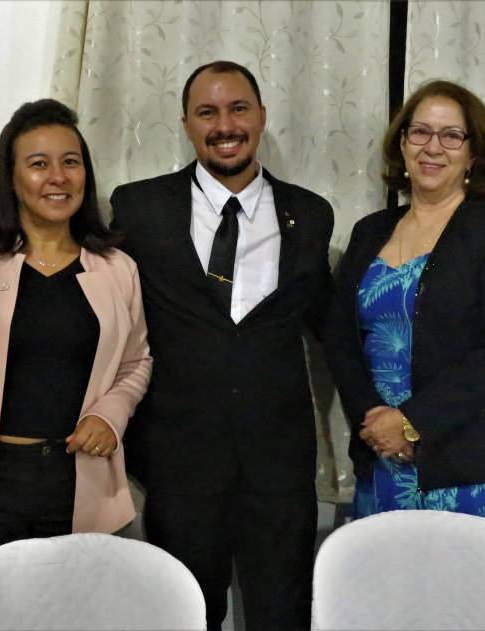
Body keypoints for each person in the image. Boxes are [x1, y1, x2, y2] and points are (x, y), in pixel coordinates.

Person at [110, 60, 333, 631]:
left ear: (262, 116)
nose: (225, 125)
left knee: (283, 617)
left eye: (238, 109)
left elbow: (334, 330)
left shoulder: (311, 215)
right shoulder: (139, 209)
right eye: (207, 113)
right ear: (186, 123)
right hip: (179, 467)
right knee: (183, 618)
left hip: (279, 471)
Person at [0, 99, 151, 571]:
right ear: (10, 178)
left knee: (76, 606)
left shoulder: (118, 268)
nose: (58, 177)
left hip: (80, 483)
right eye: (38, 164)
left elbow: (137, 362)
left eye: (70, 162)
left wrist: (111, 415)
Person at [325, 80, 485, 526]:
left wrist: (411, 422)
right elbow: (341, 339)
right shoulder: (368, 232)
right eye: (420, 132)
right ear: (402, 145)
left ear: (473, 154)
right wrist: (376, 421)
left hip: (467, 468)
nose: (433, 147)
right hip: (381, 458)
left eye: (451, 135)